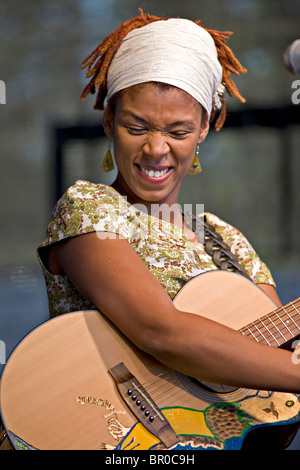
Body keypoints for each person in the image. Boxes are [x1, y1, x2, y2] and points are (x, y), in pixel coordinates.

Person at [38, 10, 300, 399]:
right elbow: (161, 332)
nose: (156, 149)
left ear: (203, 130)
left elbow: (273, 382)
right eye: (137, 127)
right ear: (109, 120)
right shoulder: (90, 207)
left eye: (178, 132)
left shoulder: (227, 239)